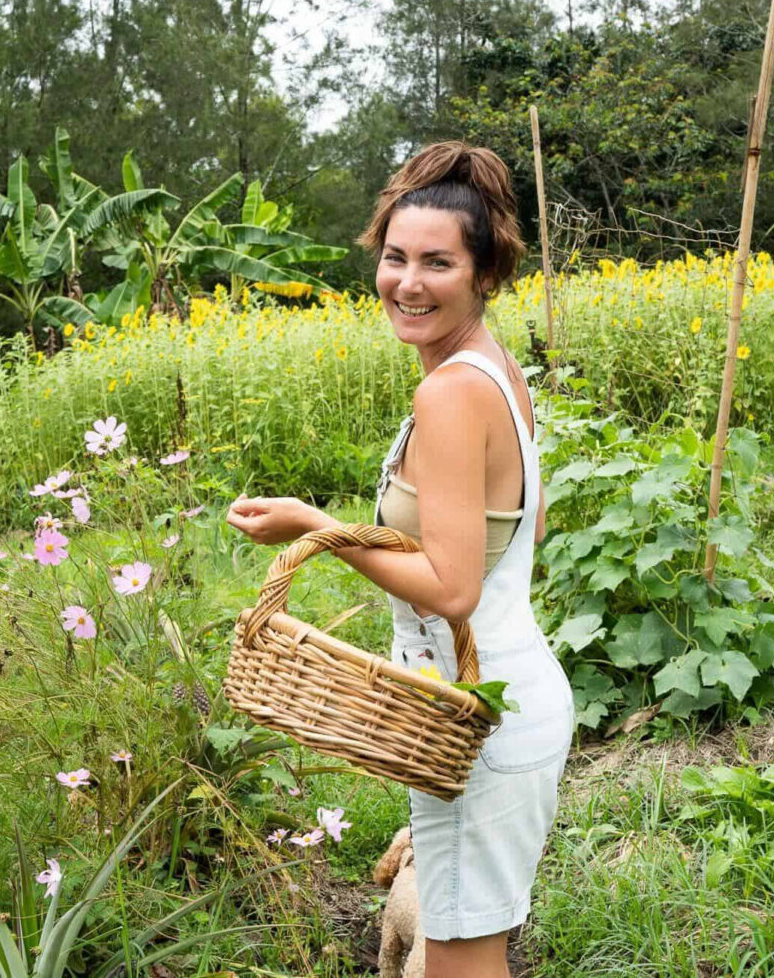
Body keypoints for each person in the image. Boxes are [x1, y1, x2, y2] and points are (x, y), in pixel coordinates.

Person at [226, 140, 575, 978]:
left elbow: (451, 588)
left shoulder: (451, 390)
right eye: (394, 257)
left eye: (438, 263)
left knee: (462, 960)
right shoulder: (488, 370)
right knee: (467, 945)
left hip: (478, 717)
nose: (408, 282)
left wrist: (320, 527)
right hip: (482, 701)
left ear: (485, 275)